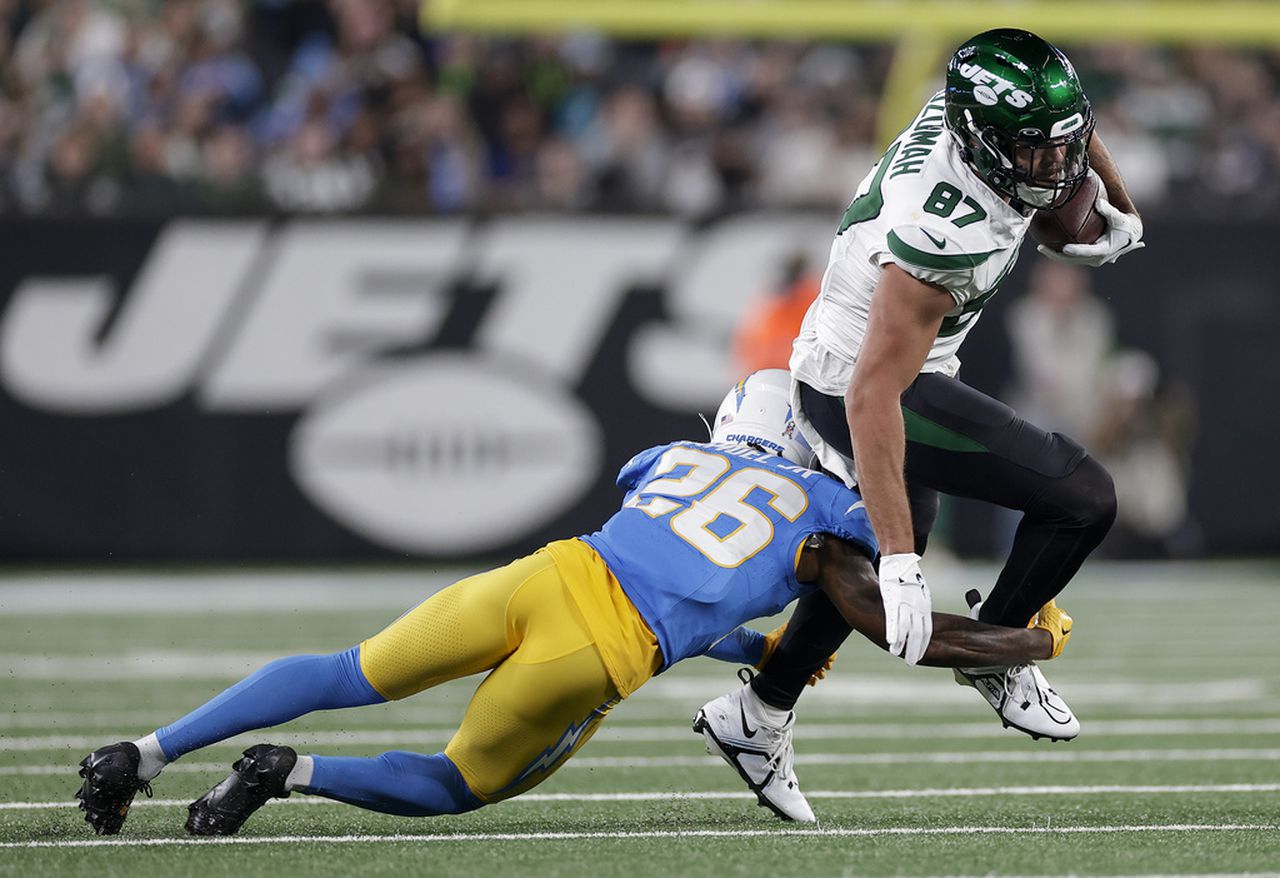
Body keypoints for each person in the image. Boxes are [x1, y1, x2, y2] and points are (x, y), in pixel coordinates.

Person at [75, 370, 1071, 835]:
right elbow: (886, 622)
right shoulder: (829, 513)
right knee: (461, 781)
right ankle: (288, 772)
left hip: (541, 575)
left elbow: (674, 562)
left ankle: (145, 751)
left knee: (347, 667)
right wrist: (1019, 633)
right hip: (598, 650)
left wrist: (745, 644)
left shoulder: (670, 458)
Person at [698, 29, 1141, 817]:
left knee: (881, 537)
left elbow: (1070, 134)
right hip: (858, 384)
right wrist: (904, 565)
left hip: (900, 367)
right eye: (1037, 154)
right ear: (986, 146)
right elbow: (873, 391)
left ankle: (757, 713)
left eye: (1059, 147)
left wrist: (1118, 201)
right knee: (1080, 497)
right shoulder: (942, 231)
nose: (1058, 168)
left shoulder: (979, 118)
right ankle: (996, 654)